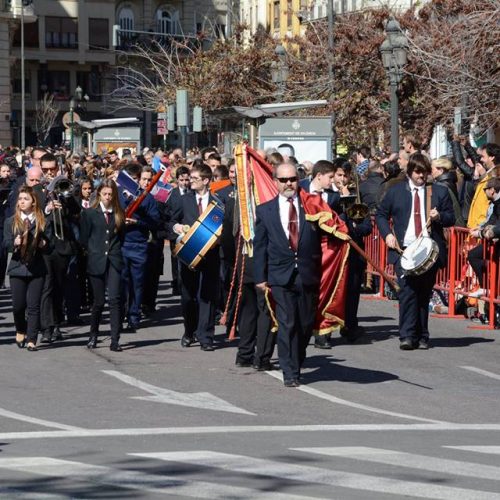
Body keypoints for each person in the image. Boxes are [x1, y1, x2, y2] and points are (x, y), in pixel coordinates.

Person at [376, 153, 455, 350]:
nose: (422, 176)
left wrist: (439, 216)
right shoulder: (396, 192)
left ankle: (422, 335)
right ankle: (407, 335)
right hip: (403, 250)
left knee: (423, 294)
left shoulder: (438, 192)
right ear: (410, 171)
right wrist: (387, 235)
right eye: (418, 172)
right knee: (407, 292)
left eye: (425, 172)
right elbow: (381, 215)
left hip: (429, 251)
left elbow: (451, 218)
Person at [254, 163, 322, 387]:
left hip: (306, 273)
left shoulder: (311, 206)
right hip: (279, 276)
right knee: (287, 323)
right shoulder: (265, 210)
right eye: (283, 180)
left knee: (304, 324)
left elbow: (331, 232)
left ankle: (297, 358)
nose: (288, 184)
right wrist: (260, 278)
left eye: (292, 179)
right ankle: (289, 371)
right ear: (275, 182)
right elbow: (261, 246)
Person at [169, 164, 221, 351]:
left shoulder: (218, 202)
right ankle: (189, 331)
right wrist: (177, 229)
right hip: (189, 255)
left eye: (195, 179)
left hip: (211, 256)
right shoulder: (184, 200)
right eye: (190, 179)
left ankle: (206, 336)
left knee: (207, 296)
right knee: (188, 297)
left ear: (206, 180)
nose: (190, 181)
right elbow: (171, 222)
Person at [79, 180, 125, 351]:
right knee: (98, 302)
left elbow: (122, 237)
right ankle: (93, 335)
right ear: (99, 194)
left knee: (114, 299)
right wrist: (92, 252)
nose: (107, 197)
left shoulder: (118, 213)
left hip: (113, 259)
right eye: (104, 194)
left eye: (110, 194)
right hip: (96, 259)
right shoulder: (90, 213)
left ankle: (115, 339)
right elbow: (84, 238)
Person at [3, 186, 51, 351]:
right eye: (20, 199)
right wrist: (14, 243)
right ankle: (20, 329)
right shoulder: (11, 221)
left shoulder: (42, 220)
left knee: (33, 305)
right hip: (17, 267)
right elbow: (6, 244)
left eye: (26, 199)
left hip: (36, 268)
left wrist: (44, 244)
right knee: (18, 306)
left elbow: (49, 243)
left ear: (33, 202)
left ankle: (32, 339)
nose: (22, 202)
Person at [467, 177, 500, 298]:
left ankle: (488, 288)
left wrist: (481, 234)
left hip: (496, 240)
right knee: (473, 255)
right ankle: (485, 287)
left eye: (485, 190)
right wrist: (480, 228)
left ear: (491, 190)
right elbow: (493, 220)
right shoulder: (496, 202)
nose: (484, 192)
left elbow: (497, 225)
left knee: (474, 255)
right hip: (494, 240)